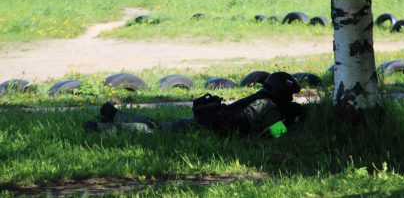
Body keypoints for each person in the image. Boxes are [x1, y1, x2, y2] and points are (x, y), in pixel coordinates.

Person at [85, 72, 305, 137]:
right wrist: (295, 122)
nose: (292, 99)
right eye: (290, 95)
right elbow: (277, 135)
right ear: (280, 93)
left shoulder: (261, 97)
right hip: (209, 125)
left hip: (210, 119)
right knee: (155, 131)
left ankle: (112, 114)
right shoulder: (271, 108)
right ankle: (100, 129)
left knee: (159, 125)